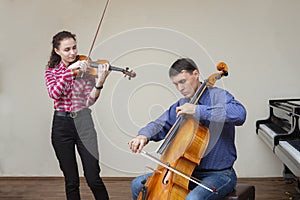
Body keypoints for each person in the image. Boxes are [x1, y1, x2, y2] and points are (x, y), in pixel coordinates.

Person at [129, 58, 246, 200]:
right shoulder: (182, 103)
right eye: (176, 84)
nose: (180, 88)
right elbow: (160, 124)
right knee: (137, 184)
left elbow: (240, 114)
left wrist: (198, 110)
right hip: (185, 172)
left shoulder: (219, 96)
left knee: (193, 199)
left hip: (219, 174)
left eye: (182, 81)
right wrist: (143, 136)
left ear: (195, 74)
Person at [45, 30, 110, 200]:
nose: (73, 52)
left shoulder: (86, 70)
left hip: (84, 123)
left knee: (93, 178)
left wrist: (100, 83)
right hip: (61, 127)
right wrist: (69, 72)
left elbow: (89, 101)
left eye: (74, 48)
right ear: (57, 51)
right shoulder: (51, 72)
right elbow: (54, 94)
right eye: (67, 49)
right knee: (71, 181)